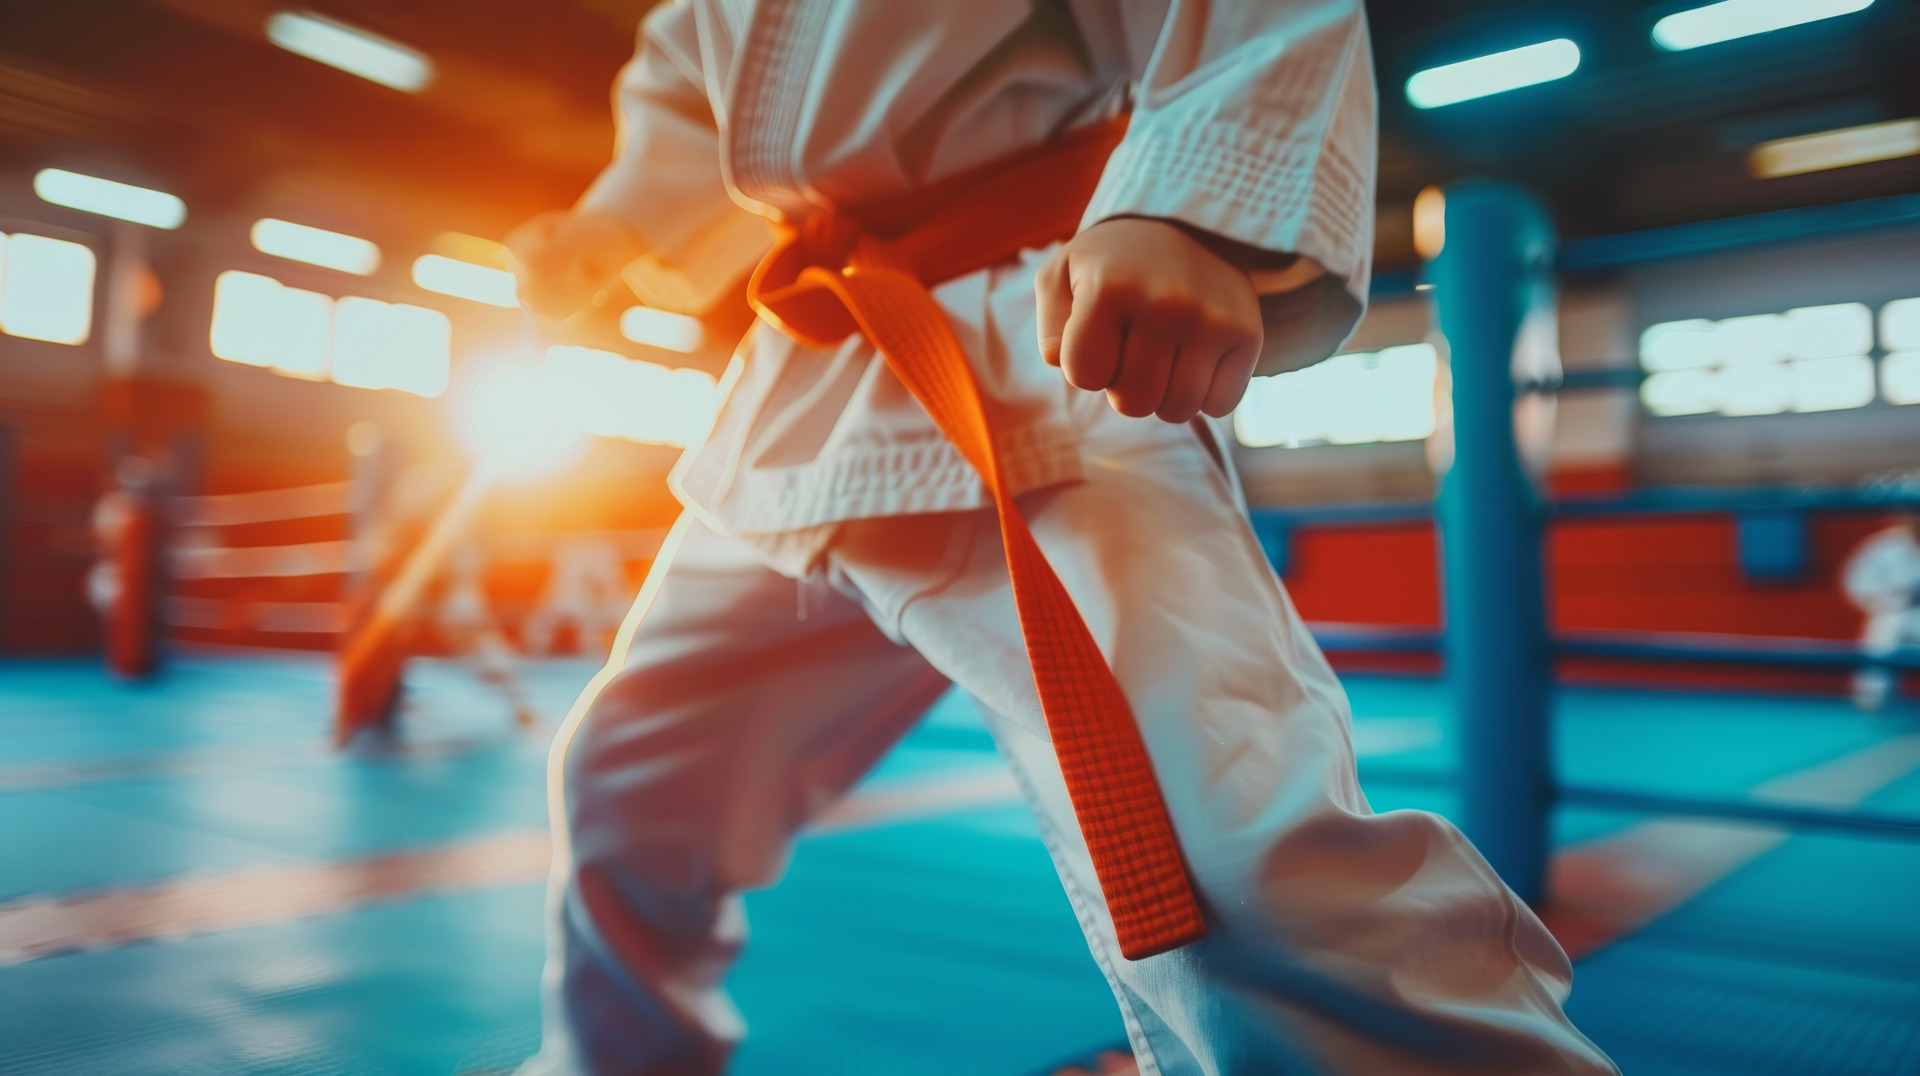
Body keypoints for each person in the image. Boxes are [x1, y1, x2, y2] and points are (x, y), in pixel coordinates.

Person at [507, 2, 1617, 1073]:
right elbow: (704, 81)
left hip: (1038, 348)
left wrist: (1180, 212)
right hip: (804, 389)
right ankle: (608, 1059)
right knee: (627, 778)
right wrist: (614, 222)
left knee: (1229, 856)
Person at [1842, 512, 1920, 712]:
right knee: (1885, 631)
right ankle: (1873, 700)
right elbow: (1857, 584)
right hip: (1893, 611)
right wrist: (1888, 601)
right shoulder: (1882, 546)